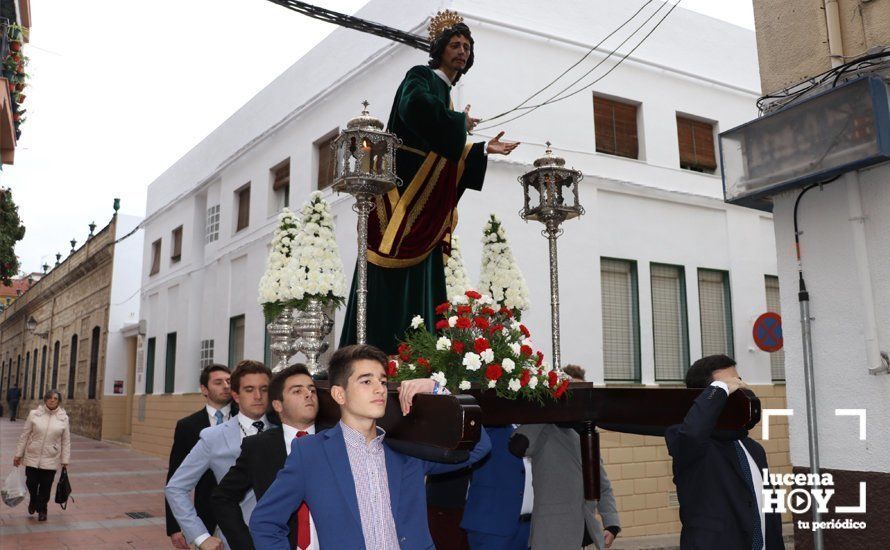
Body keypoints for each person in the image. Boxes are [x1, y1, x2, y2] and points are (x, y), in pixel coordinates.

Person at [339, 10, 519, 354]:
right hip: (403, 190)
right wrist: (459, 124)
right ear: (439, 49)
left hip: (424, 195)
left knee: (424, 267)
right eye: (454, 44)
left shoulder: (446, 93)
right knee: (391, 268)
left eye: (467, 45)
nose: (462, 50)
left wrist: (481, 149)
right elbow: (415, 108)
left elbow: (444, 150)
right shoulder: (420, 76)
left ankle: (417, 353)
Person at [249, 344, 492, 549]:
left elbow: (479, 447)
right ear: (339, 394)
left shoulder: (407, 449)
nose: (379, 389)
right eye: (366, 381)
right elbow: (265, 522)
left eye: (383, 381)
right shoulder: (311, 453)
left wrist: (438, 390)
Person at [665, 355, 784, 550]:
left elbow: (769, 513)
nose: (739, 389)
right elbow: (693, 434)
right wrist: (719, 389)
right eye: (730, 386)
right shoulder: (685, 440)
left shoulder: (753, 449)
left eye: (738, 381)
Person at [507, 365, 620, 550]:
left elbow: (602, 482)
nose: (578, 402)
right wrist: (548, 411)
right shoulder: (545, 428)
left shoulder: (588, 432)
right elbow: (517, 446)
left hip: (587, 533)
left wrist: (612, 523)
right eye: (573, 394)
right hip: (552, 535)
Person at [166, 360, 272, 550]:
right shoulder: (213, 437)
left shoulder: (284, 430)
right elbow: (175, 488)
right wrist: (199, 536)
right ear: (236, 395)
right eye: (249, 389)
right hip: (236, 538)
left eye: (264, 389)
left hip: (284, 537)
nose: (258, 396)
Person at [212, 363, 319, 550]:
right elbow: (222, 498)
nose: (308, 394)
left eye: (312, 390)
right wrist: (247, 545)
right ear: (277, 404)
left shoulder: (334, 441)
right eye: (297, 391)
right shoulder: (259, 447)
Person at [166, 364, 236, 549]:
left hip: (240, 513)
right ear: (204, 389)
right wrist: (174, 527)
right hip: (204, 516)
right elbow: (174, 478)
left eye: (229, 381)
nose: (226, 386)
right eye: (218, 382)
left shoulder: (247, 419)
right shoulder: (187, 426)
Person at [12, 389, 70, 522]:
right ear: (45, 400)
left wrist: (65, 460)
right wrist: (18, 455)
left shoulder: (64, 418)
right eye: (50, 398)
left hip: (51, 457)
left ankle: (42, 509)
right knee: (31, 483)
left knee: (46, 486)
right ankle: (33, 500)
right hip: (32, 455)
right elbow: (25, 435)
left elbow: (66, 441)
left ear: (59, 401)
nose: (52, 400)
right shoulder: (34, 414)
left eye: (55, 399)